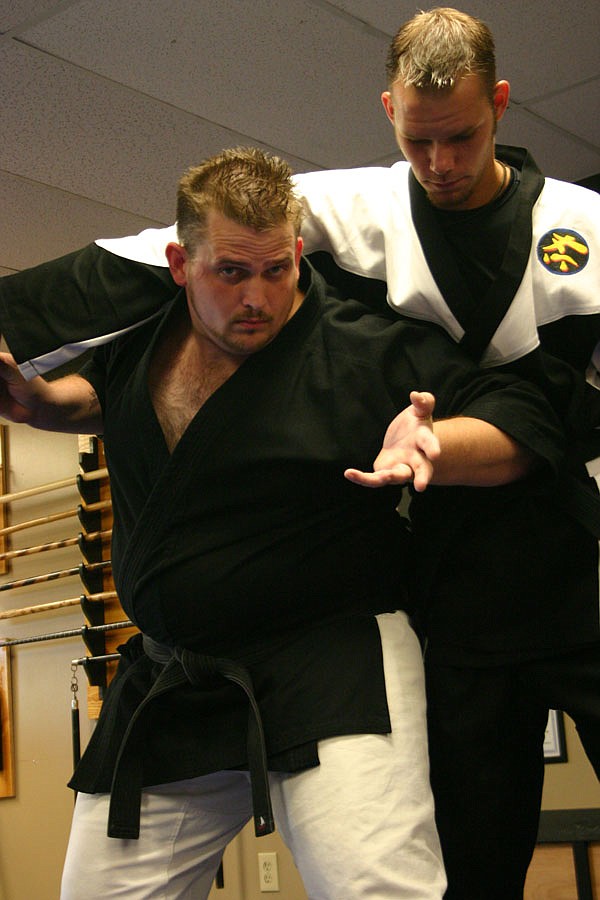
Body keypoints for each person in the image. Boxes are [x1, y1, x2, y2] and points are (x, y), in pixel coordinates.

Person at [1, 10, 599, 898]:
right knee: (475, 860)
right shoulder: (319, 224)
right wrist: (32, 369)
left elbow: (513, 411)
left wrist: (433, 436)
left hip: (509, 581)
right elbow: (122, 284)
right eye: (418, 138)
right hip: (276, 643)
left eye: (463, 136)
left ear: (503, 107)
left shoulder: (547, 246)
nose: (439, 162)